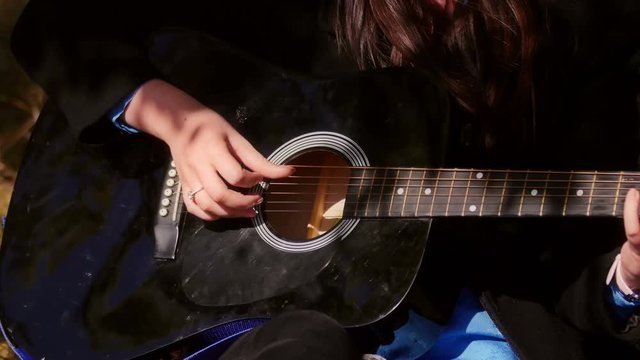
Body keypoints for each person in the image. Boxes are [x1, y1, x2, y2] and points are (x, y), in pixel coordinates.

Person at [8, 0, 640, 359]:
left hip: (466, 317)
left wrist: (629, 274)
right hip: (243, 312)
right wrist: (180, 121)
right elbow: (58, 22)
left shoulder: (587, 28)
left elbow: (575, 280)